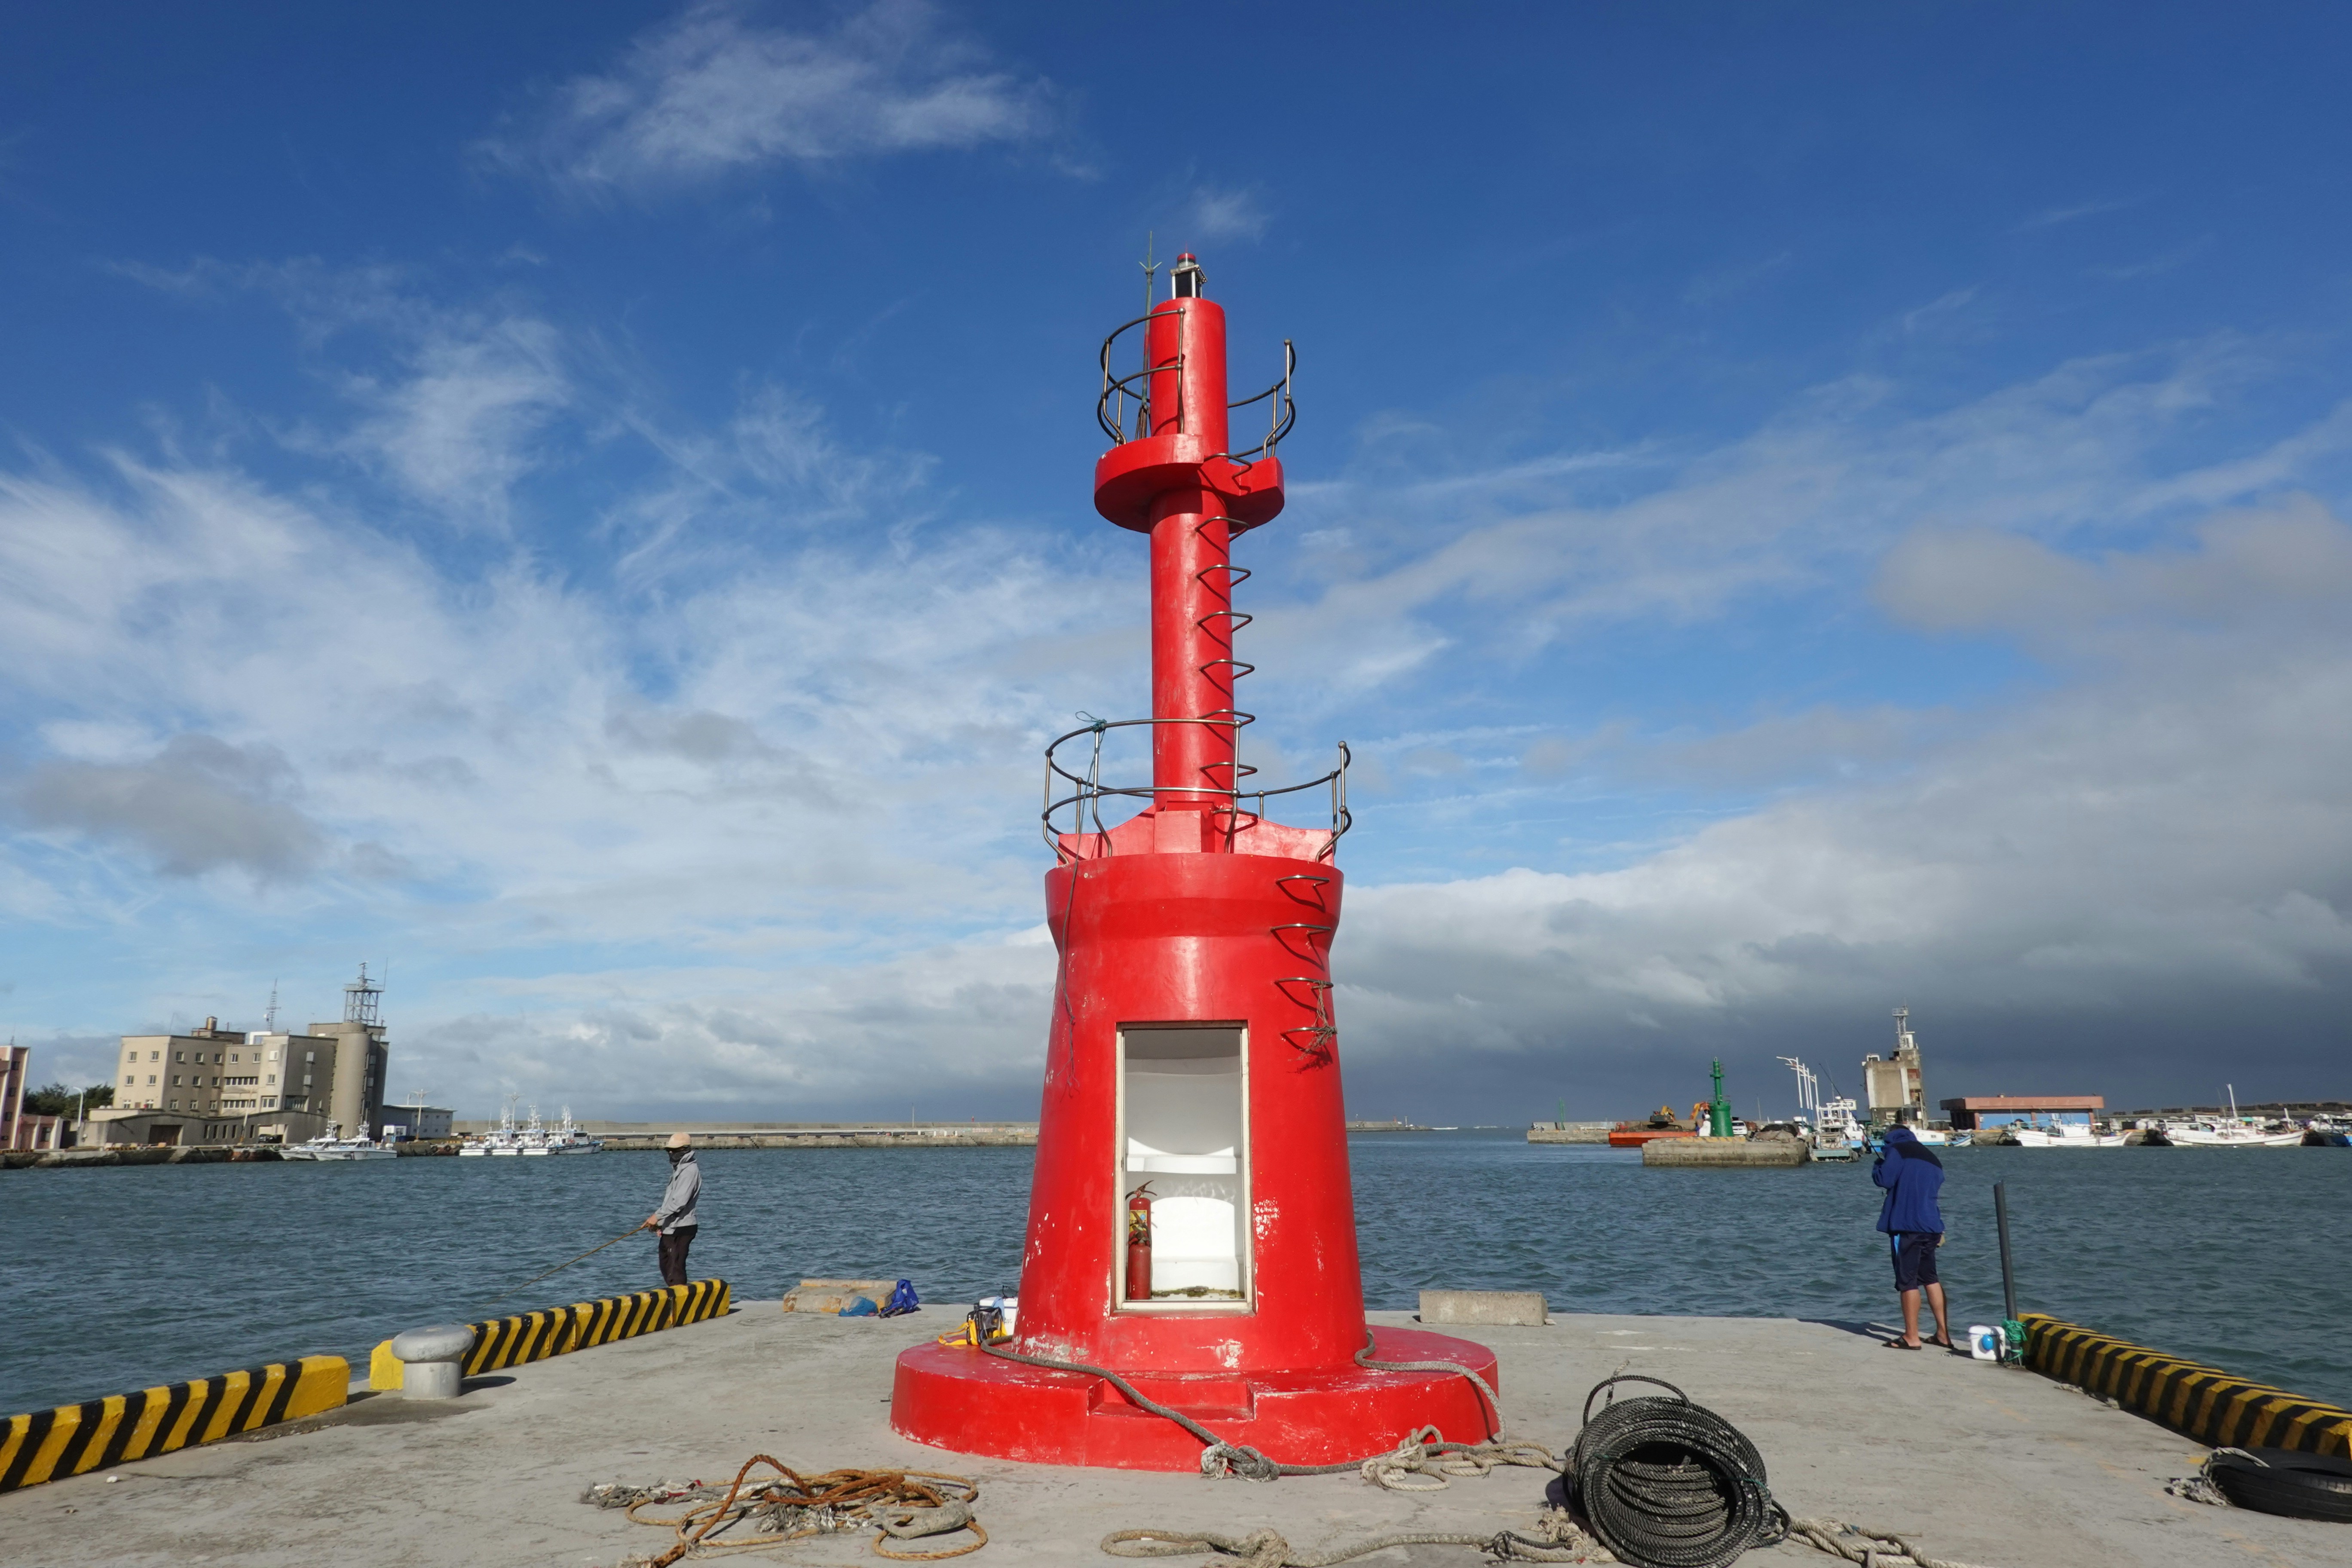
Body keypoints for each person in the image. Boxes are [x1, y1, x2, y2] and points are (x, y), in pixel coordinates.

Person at [1872, 1124, 1951, 1350]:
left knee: (1908, 1281)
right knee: (1931, 1279)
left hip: (1907, 1226)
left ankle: (1911, 1337)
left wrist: (1878, 1164)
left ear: (1890, 1138)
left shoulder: (1896, 1151)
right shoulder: (1931, 1156)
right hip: (1932, 1226)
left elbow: (1884, 1180)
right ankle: (1943, 1335)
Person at [644, 1130, 701, 1287]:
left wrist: (657, 1216)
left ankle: (679, 1304)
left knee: (675, 1270)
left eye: (674, 1150)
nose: (671, 1153)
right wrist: (662, 1223)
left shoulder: (689, 1171)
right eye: (669, 1151)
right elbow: (671, 1201)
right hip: (672, 1227)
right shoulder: (679, 1170)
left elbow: (679, 1202)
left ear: (685, 1150)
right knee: (666, 1265)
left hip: (682, 1228)